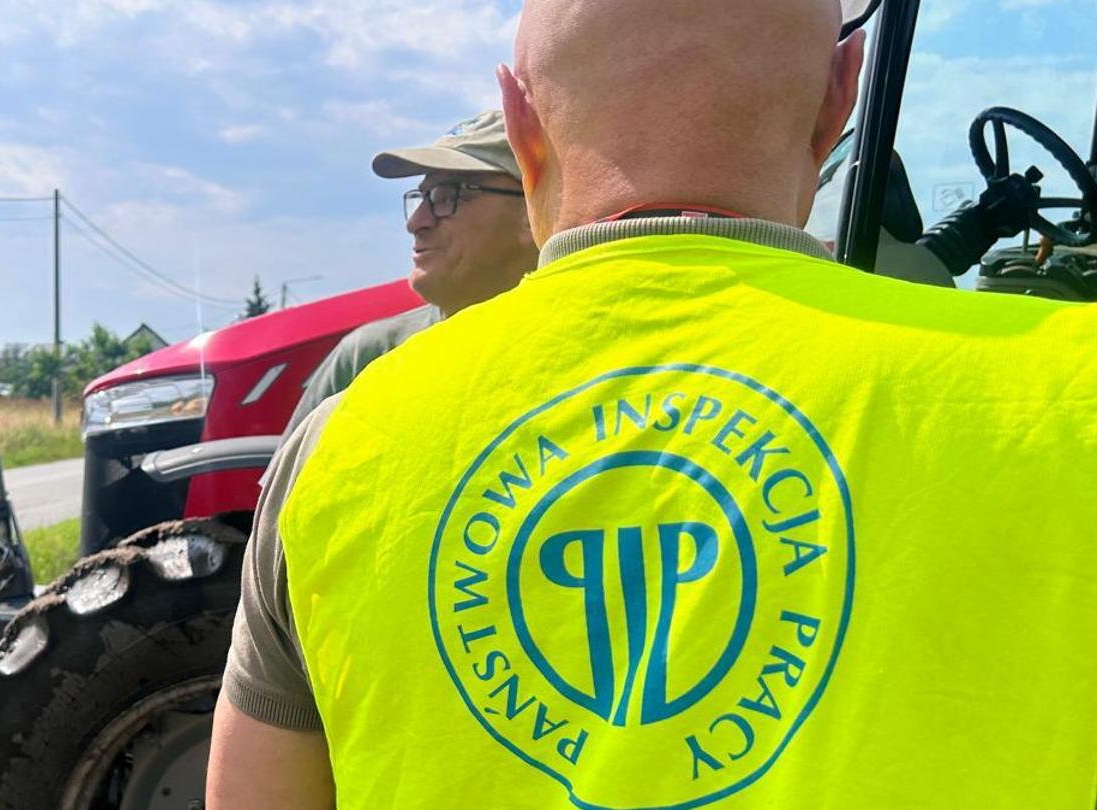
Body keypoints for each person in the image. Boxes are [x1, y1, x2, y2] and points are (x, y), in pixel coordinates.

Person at [210, 1, 1097, 808]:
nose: (419, 218)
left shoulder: (339, 446)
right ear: (842, 97)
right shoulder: (1068, 389)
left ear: (520, 123)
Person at [286, 110, 536, 430]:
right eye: (422, 197)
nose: (416, 222)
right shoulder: (368, 357)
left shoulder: (577, 347)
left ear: (531, 210)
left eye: (447, 196)